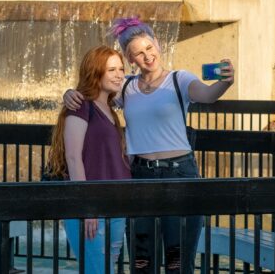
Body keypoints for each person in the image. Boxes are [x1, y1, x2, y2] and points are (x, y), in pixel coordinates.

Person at [63, 17, 235, 274]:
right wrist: (69, 93)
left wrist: (225, 82)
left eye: (149, 48)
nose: (147, 56)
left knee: (178, 262)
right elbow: (95, 90)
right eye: (138, 53)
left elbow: (208, 95)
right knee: (143, 262)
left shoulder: (180, 79)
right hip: (140, 175)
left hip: (179, 174)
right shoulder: (126, 86)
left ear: (157, 44)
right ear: (130, 59)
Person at [45, 45, 131, 274]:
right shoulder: (81, 105)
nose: (119, 74)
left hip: (116, 205)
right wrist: (87, 207)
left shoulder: (111, 109)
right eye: (111, 69)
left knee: (108, 270)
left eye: (121, 69)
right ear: (95, 72)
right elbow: (73, 157)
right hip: (92, 206)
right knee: (97, 270)